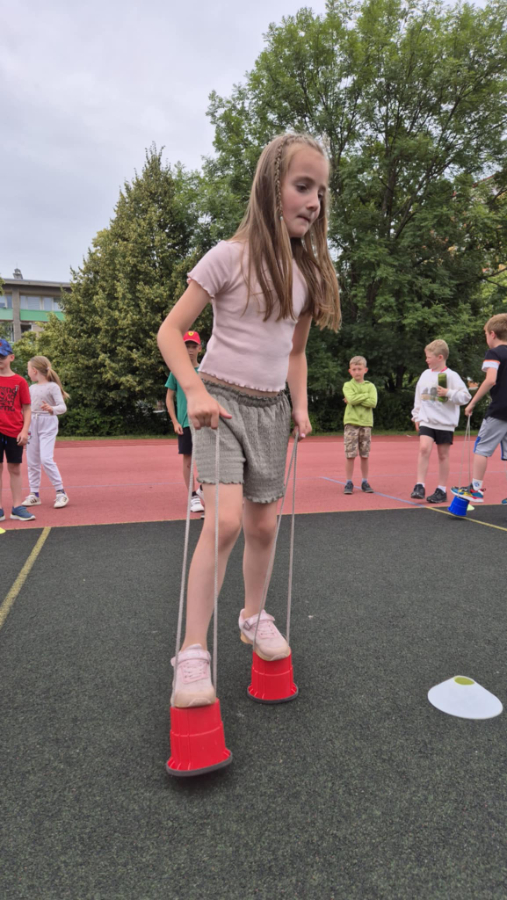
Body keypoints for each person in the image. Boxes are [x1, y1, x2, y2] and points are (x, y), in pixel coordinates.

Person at [157, 132, 341, 708]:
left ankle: (252, 616)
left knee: (264, 527)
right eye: (303, 186)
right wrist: (193, 391)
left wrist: (301, 405)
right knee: (226, 522)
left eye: (321, 191)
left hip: (271, 409)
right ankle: (192, 649)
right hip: (218, 404)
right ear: (270, 188)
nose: (314, 202)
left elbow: (295, 352)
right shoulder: (226, 257)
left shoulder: (307, 277)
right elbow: (170, 331)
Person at [451, 313, 507, 503]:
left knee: (482, 449)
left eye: (485, 334)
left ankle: (475, 489)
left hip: (500, 410)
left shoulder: (494, 353)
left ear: (492, 334)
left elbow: (490, 380)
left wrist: (472, 402)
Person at [411, 340, 470, 503]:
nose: (426, 360)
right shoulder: (425, 374)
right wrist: (416, 416)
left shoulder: (452, 376)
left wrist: (448, 392)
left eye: (429, 357)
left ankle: (441, 490)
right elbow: (418, 397)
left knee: (443, 455)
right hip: (427, 420)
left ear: (440, 357)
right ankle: (419, 485)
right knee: (424, 448)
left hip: (445, 423)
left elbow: (465, 397)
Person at [165, 331, 205, 514]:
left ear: (199, 348)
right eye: (186, 346)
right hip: (186, 422)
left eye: (193, 346)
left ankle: (203, 489)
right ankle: (192, 496)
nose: (190, 350)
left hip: (204, 422)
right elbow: (169, 398)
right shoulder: (177, 371)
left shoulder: (205, 371)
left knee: (208, 460)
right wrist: (175, 421)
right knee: (188, 459)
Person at [23, 356, 70, 509]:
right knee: (32, 461)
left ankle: (61, 492)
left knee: (46, 459)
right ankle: (34, 494)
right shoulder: (31, 388)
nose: (27, 372)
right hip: (32, 424)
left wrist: (52, 409)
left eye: (28, 369)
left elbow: (62, 407)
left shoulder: (52, 387)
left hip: (48, 423)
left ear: (34, 370)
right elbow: (27, 409)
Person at [0, 338, 35, 521]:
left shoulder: (20, 381)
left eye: (2, 357)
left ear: (11, 357)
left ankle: (17, 507)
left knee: (14, 468)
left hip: (14, 431)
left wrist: (24, 430)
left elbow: (27, 408)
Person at [342, 355, 377, 494]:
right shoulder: (347, 385)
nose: (357, 372)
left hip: (366, 423)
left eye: (359, 369)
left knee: (365, 454)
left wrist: (355, 399)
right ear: (350, 371)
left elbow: (373, 402)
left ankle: (364, 481)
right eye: (354, 369)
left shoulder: (370, 386)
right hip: (351, 422)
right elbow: (351, 399)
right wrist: (364, 396)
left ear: (365, 370)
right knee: (350, 454)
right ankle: (348, 482)